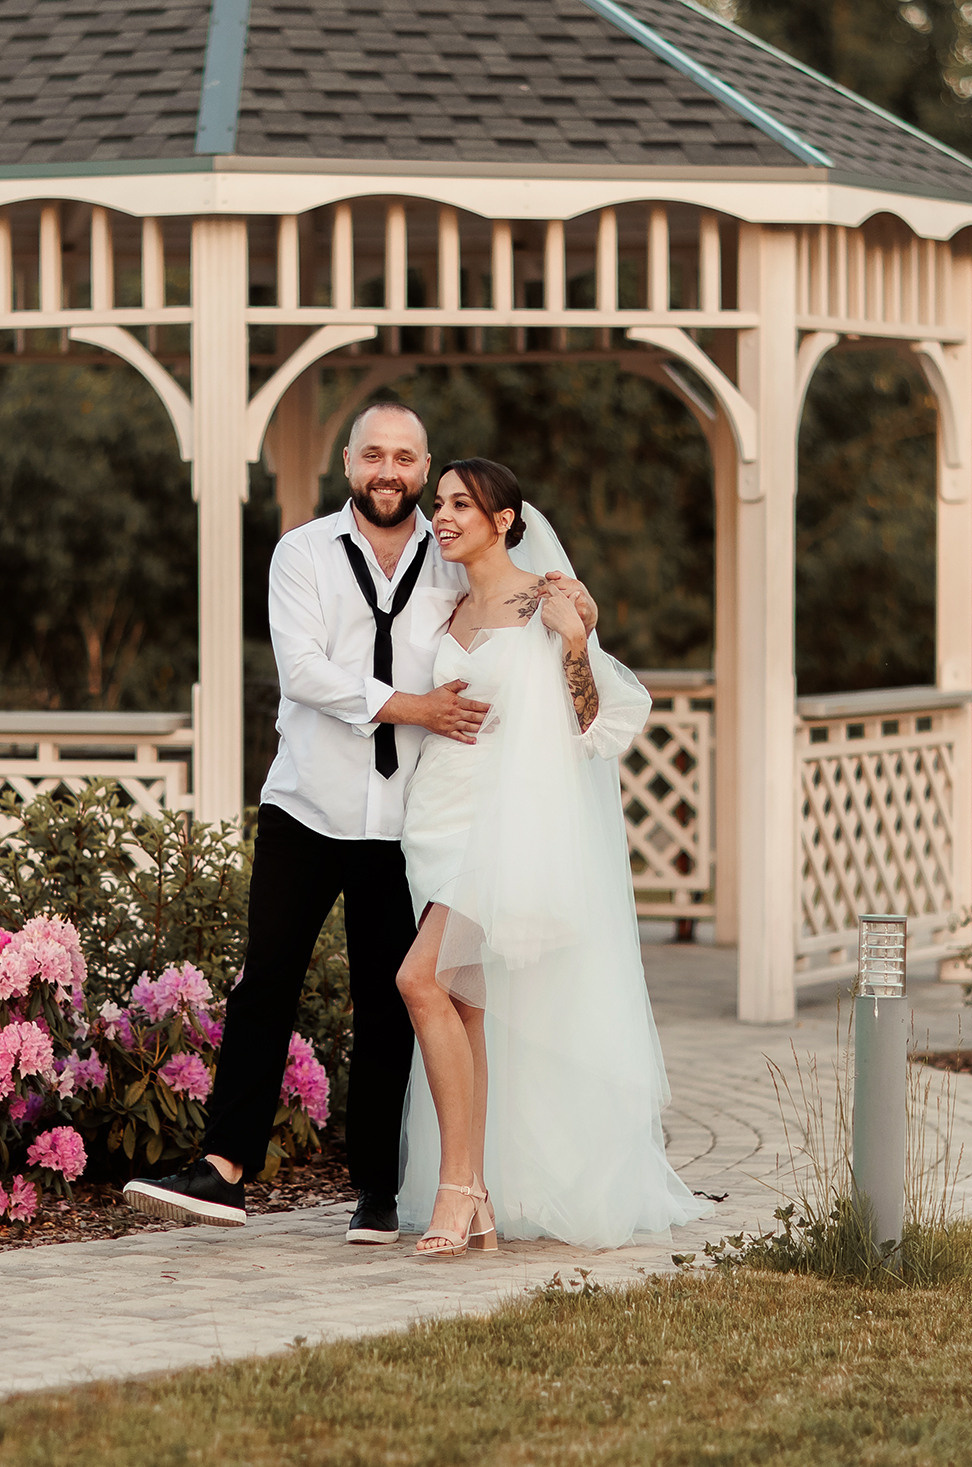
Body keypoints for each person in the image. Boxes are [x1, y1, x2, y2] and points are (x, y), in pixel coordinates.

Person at [122, 404, 596, 1241]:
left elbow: (511, 598)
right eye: (374, 454)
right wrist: (410, 705)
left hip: (407, 819)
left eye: (406, 458)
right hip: (307, 803)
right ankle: (224, 1169)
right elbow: (302, 671)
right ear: (348, 462)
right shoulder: (301, 553)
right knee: (265, 980)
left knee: (394, 1001)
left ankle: (378, 1193)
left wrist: (568, 610)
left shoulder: (452, 561)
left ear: (423, 468)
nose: (390, 470)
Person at [394, 458, 710, 1256]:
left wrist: (576, 642)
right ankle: (481, 1198)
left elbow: (597, 724)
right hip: (438, 817)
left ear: (506, 519)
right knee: (462, 1001)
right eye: (441, 504)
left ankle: (457, 1188)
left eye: (462, 504)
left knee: (419, 979)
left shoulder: (549, 595)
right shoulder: (449, 607)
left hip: (505, 825)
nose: (445, 516)